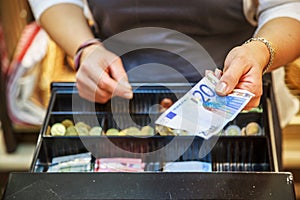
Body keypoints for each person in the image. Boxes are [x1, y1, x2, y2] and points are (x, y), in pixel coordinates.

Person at [28, 0, 300, 110]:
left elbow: (287, 7)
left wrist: (259, 51)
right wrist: (83, 48)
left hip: (235, 95)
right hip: (116, 94)